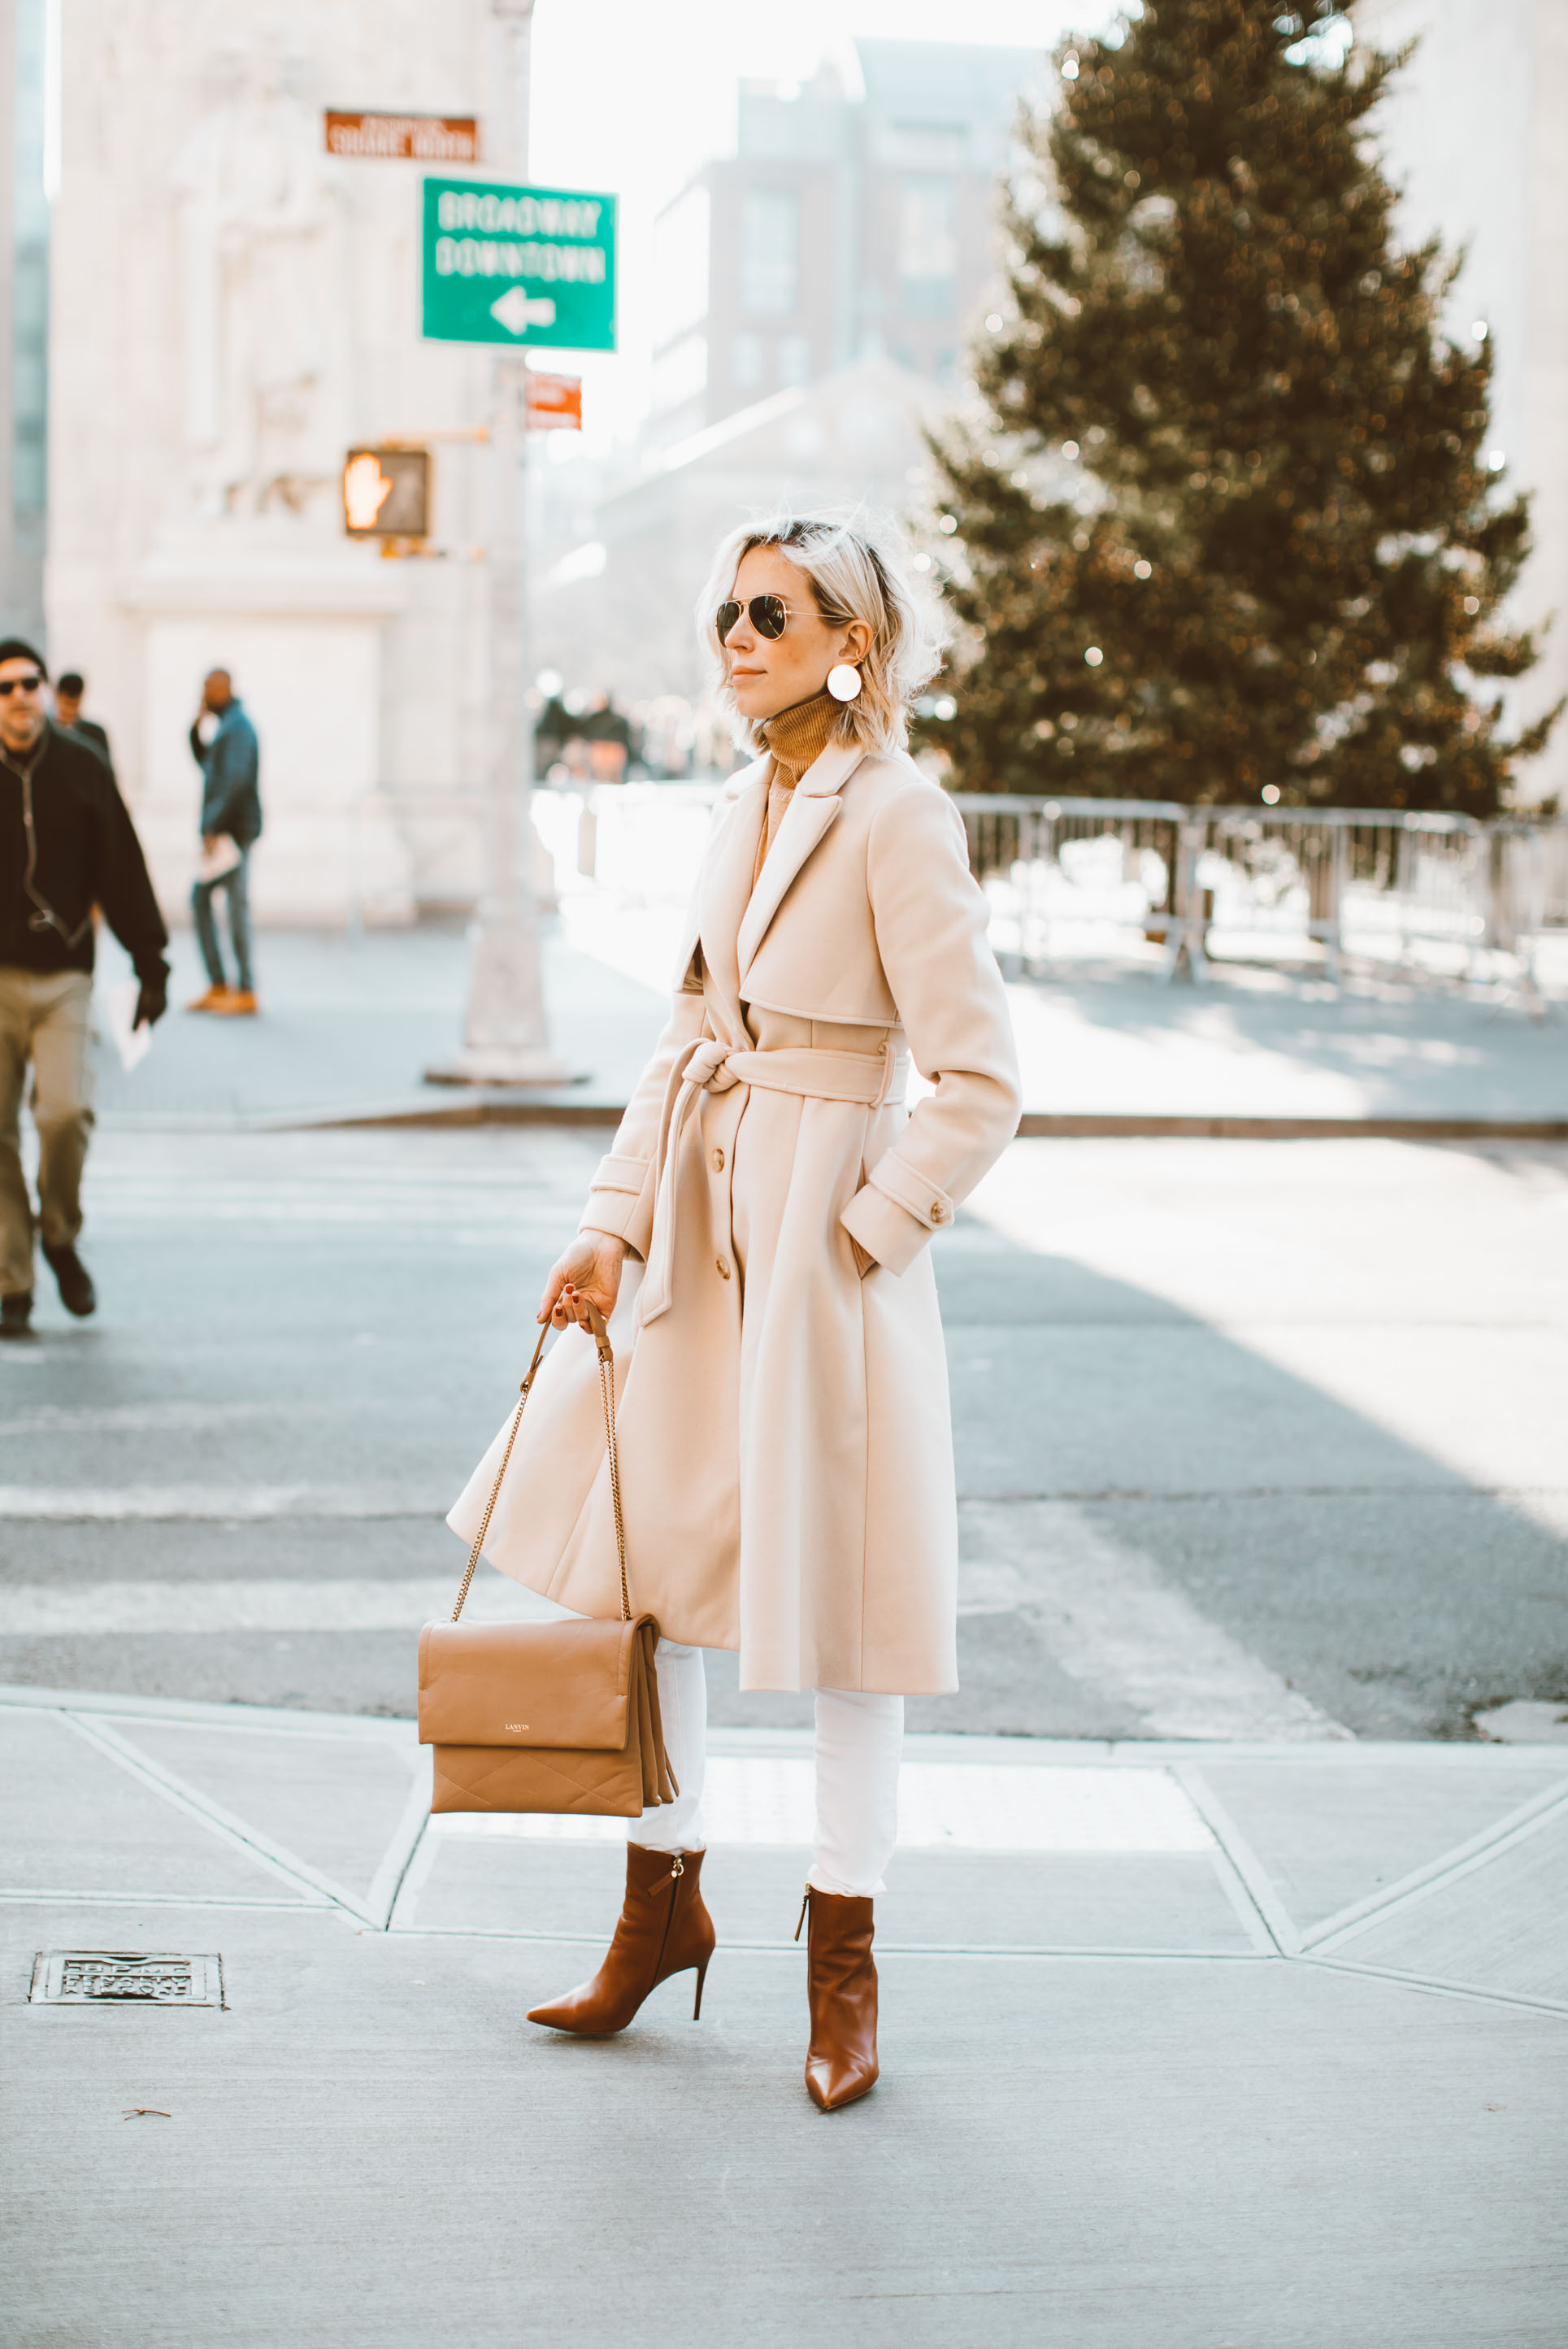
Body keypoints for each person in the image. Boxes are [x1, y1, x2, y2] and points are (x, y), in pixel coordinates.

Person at [446, 513, 1021, 2108]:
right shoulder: (734, 804)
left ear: (853, 641)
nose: (737, 636)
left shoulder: (899, 815)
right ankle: (661, 1900)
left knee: (848, 1618)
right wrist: (609, 1224)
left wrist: (860, 1232)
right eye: (725, 612)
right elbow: (683, 1033)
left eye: (770, 612)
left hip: (823, 1257)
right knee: (645, 1576)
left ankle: (844, 1966)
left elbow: (979, 1084)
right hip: (697, 1227)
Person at [0, 637, 168, 1337]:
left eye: (29, 683)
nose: (19, 696)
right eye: (5, 686)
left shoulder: (82, 768)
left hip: (65, 977)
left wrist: (150, 962)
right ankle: (14, 1281)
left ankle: (60, 1234)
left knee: (63, 1115)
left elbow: (122, 867)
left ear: (45, 691)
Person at [187, 668, 261, 1016]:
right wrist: (195, 728)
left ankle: (244, 989)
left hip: (234, 834)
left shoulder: (239, 728)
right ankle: (220, 984)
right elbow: (208, 765)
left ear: (223, 688)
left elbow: (235, 781)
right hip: (227, 832)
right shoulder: (227, 727)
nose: (203, 695)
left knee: (234, 908)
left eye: (207, 689)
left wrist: (213, 827)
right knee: (206, 901)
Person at [53, 672, 113, 772]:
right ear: (57, 696)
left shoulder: (96, 733)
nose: (70, 710)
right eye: (67, 703)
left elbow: (107, 774)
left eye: (75, 704)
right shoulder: (46, 734)